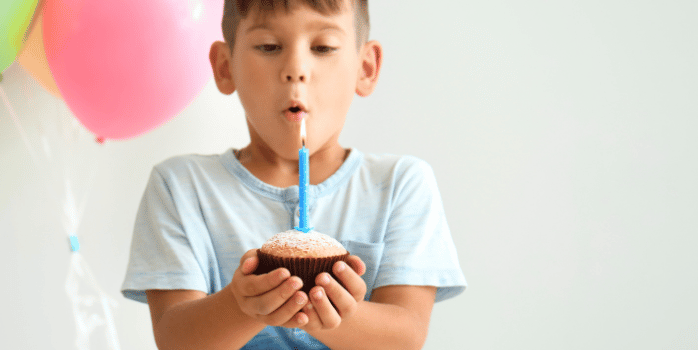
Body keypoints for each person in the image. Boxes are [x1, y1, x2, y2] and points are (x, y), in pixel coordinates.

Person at [120, 1, 466, 349]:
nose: (296, 69)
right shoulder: (181, 186)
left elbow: (405, 337)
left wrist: (332, 311)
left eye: (323, 47)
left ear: (365, 67)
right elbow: (174, 339)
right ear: (225, 67)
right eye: (269, 47)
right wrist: (242, 306)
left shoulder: (400, 184)